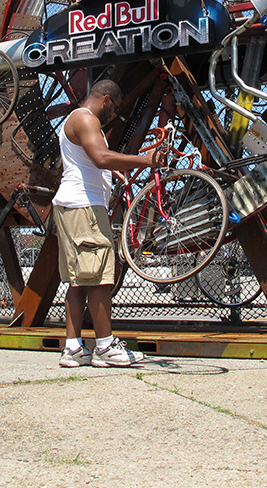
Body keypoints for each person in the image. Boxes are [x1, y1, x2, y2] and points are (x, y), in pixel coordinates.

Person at [54, 79, 163, 368]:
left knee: (80, 280)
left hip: (74, 206)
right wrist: (145, 160)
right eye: (114, 107)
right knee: (101, 276)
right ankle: (104, 345)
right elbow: (100, 157)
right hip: (84, 208)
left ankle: (73, 347)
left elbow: (88, 160)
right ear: (106, 99)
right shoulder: (86, 119)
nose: (114, 113)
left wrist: (114, 172)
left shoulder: (81, 121)